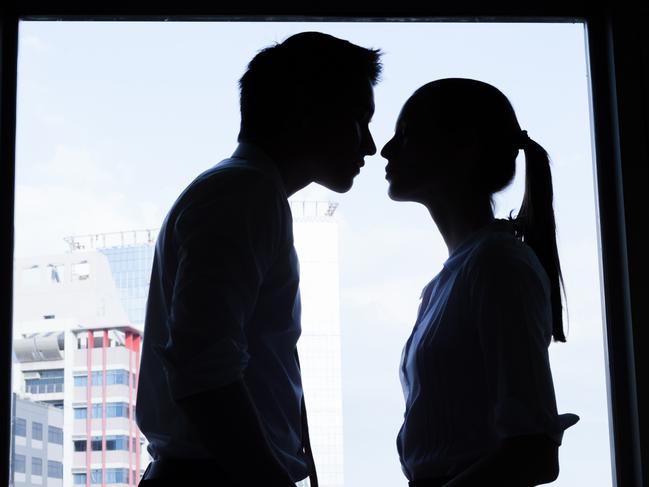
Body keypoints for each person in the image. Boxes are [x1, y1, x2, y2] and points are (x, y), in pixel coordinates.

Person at [135, 32, 381, 487]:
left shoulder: (245, 193)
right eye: (358, 121)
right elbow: (204, 371)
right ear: (310, 111)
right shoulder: (244, 195)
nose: (369, 145)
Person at [381, 78, 578, 487]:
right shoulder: (459, 275)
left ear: (462, 148)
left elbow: (535, 454)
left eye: (407, 136)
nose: (386, 149)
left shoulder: (496, 266)